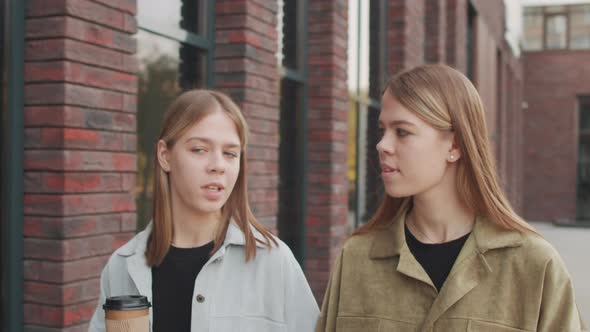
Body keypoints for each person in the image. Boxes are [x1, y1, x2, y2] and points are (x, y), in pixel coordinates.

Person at [316, 64, 587, 332]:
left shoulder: (534, 265)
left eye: (402, 131)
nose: (382, 145)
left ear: (455, 145)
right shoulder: (356, 258)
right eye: (382, 130)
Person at [89, 89, 319, 332]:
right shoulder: (121, 267)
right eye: (199, 149)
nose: (218, 165)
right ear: (165, 156)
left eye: (230, 153)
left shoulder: (274, 262)